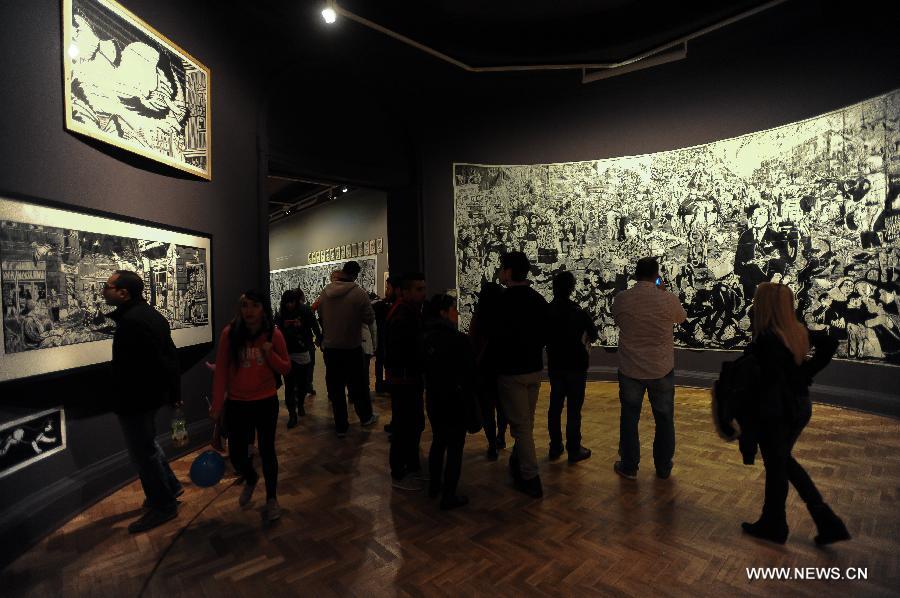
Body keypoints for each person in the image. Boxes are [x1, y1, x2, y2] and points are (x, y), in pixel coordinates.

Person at [740, 282, 850, 545]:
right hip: (797, 405)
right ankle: (777, 521)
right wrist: (805, 373)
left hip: (777, 409)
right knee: (780, 463)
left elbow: (765, 382)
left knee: (780, 463)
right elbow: (830, 342)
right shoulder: (794, 332)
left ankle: (815, 521)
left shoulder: (768, 341)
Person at [103, 270, 183, 533]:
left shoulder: (131, 322)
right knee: (148, 447)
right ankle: (170, 487)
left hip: (135, 399)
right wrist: (173, 393)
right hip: (149, 397)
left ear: (123, 293)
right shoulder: (152, 316)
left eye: (108, 287)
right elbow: (169, 358)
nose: (104, 291)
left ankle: (164, 505)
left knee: (142, 454)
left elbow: (135, 368)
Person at [210, 290, 290, 522]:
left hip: (265, 402)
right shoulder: (230, 334)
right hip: (237, 403)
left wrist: (270, 354)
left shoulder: (274, 335)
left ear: (263, 308)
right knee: (236, 455)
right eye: (245, 305)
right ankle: (251, 477)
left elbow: (286, 368)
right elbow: (221, 371)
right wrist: (217, 405)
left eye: (254, 305)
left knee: (267, 451)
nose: (249, 311)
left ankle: (272, 499)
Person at [611, 257, 687, 480]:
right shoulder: (667, 299)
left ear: (635, 274)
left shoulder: (622, 299)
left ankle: (630, 466)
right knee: (664, 420)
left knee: (629, 418)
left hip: (630, 369)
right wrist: (661, 290)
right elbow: (681, 319)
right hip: (660, 368)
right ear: (656, 275)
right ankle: (663, 467)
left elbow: (618, 320)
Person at [490, 251, 550, 498]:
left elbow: (494, 338)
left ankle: (531, 476)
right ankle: (519, 463)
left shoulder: (502, 302)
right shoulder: (538, 301)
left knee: (522, 426)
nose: (501, 272)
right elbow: (546, 335)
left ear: (509, 272)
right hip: (534, 369)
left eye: (503, 268)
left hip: (511, 371)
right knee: (526, 422)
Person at [422, 294, 477, 510]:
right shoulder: (459, 340)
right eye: (453, 309)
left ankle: (435, 486)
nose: (457, 313)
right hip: (456, 399)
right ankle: (449, 494)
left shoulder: (426, 338)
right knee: (455, 447)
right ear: (443, 313)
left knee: (438, 441)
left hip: (435, 398)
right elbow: (471, 373)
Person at [316, 262, 378, 436]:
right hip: (352, 347)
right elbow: (370, 318)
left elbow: (320, 315)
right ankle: (365, 417)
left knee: (336, 390)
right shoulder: (359, 293)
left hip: (331, 348)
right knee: (358, 386)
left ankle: (341, 426)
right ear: (355, 275)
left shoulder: (325, 293)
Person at [546, 271, 598, 463]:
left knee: (555, 407)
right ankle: (574, 449)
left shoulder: (548, 311)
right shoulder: (578, 312)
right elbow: (593, 334)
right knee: (574, 409)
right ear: (571, 288)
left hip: (556, 365)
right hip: (576, 367)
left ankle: (555, 446)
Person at [385, 273, 428, 490]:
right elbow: (403, 351)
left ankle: (411, 467)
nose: (423, 293)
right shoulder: (404, 315)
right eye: (418, 289)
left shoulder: (407, 312)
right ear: (406, 291)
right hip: (404, 379)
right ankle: (399, 473)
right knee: (404, 426)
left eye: (423, 288)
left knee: (412, 424)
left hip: (406, 377)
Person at [469, 281, 508, 460]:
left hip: (484, 370)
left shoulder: (478, 318)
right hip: (502, 368)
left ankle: (492, 443)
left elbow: (474, 344)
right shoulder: (504, 317)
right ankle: (500, 437)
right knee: (502, 407)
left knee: (487, 409)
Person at [275, 289, 312, 428]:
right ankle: (292, 414)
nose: (289, 305)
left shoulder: (304, 311)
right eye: (287, 302)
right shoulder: (280, 315)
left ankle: (301, 404)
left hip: (302, 353)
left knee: (303, 384)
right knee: (289, 386)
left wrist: (302, 328)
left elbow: (310, 328)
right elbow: (276, 332)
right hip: (287, 354)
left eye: (292, 302)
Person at [294, 289, 322, 396]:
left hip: (294, 342)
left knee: (296, 366)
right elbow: (314, 325)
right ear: (302, 297)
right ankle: (308, 385)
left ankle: (297, 387)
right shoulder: (306, 308)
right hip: (307, 340)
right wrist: (318, 338)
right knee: (309, 364)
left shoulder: (289, 309)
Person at [372, 276, 397, 394]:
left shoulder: (395, 307)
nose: (387, 291)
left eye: (388, 288)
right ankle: (381, 383)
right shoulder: (382, 304)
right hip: (383, 340)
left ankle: (385, 383)